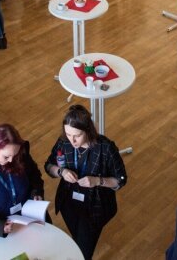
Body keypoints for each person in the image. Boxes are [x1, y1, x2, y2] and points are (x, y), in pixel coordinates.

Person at [44, 105, 127, 260]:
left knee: (83, 252)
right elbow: (48, 166)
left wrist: (97, 181)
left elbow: (121, 180)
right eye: (68, 134)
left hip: (95, 206)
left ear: (88, 130)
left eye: (77, 135)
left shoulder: (105, 148)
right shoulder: (63, 142)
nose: (72, 140)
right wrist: (61, 172)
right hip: (68, 202)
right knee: (79, 241)